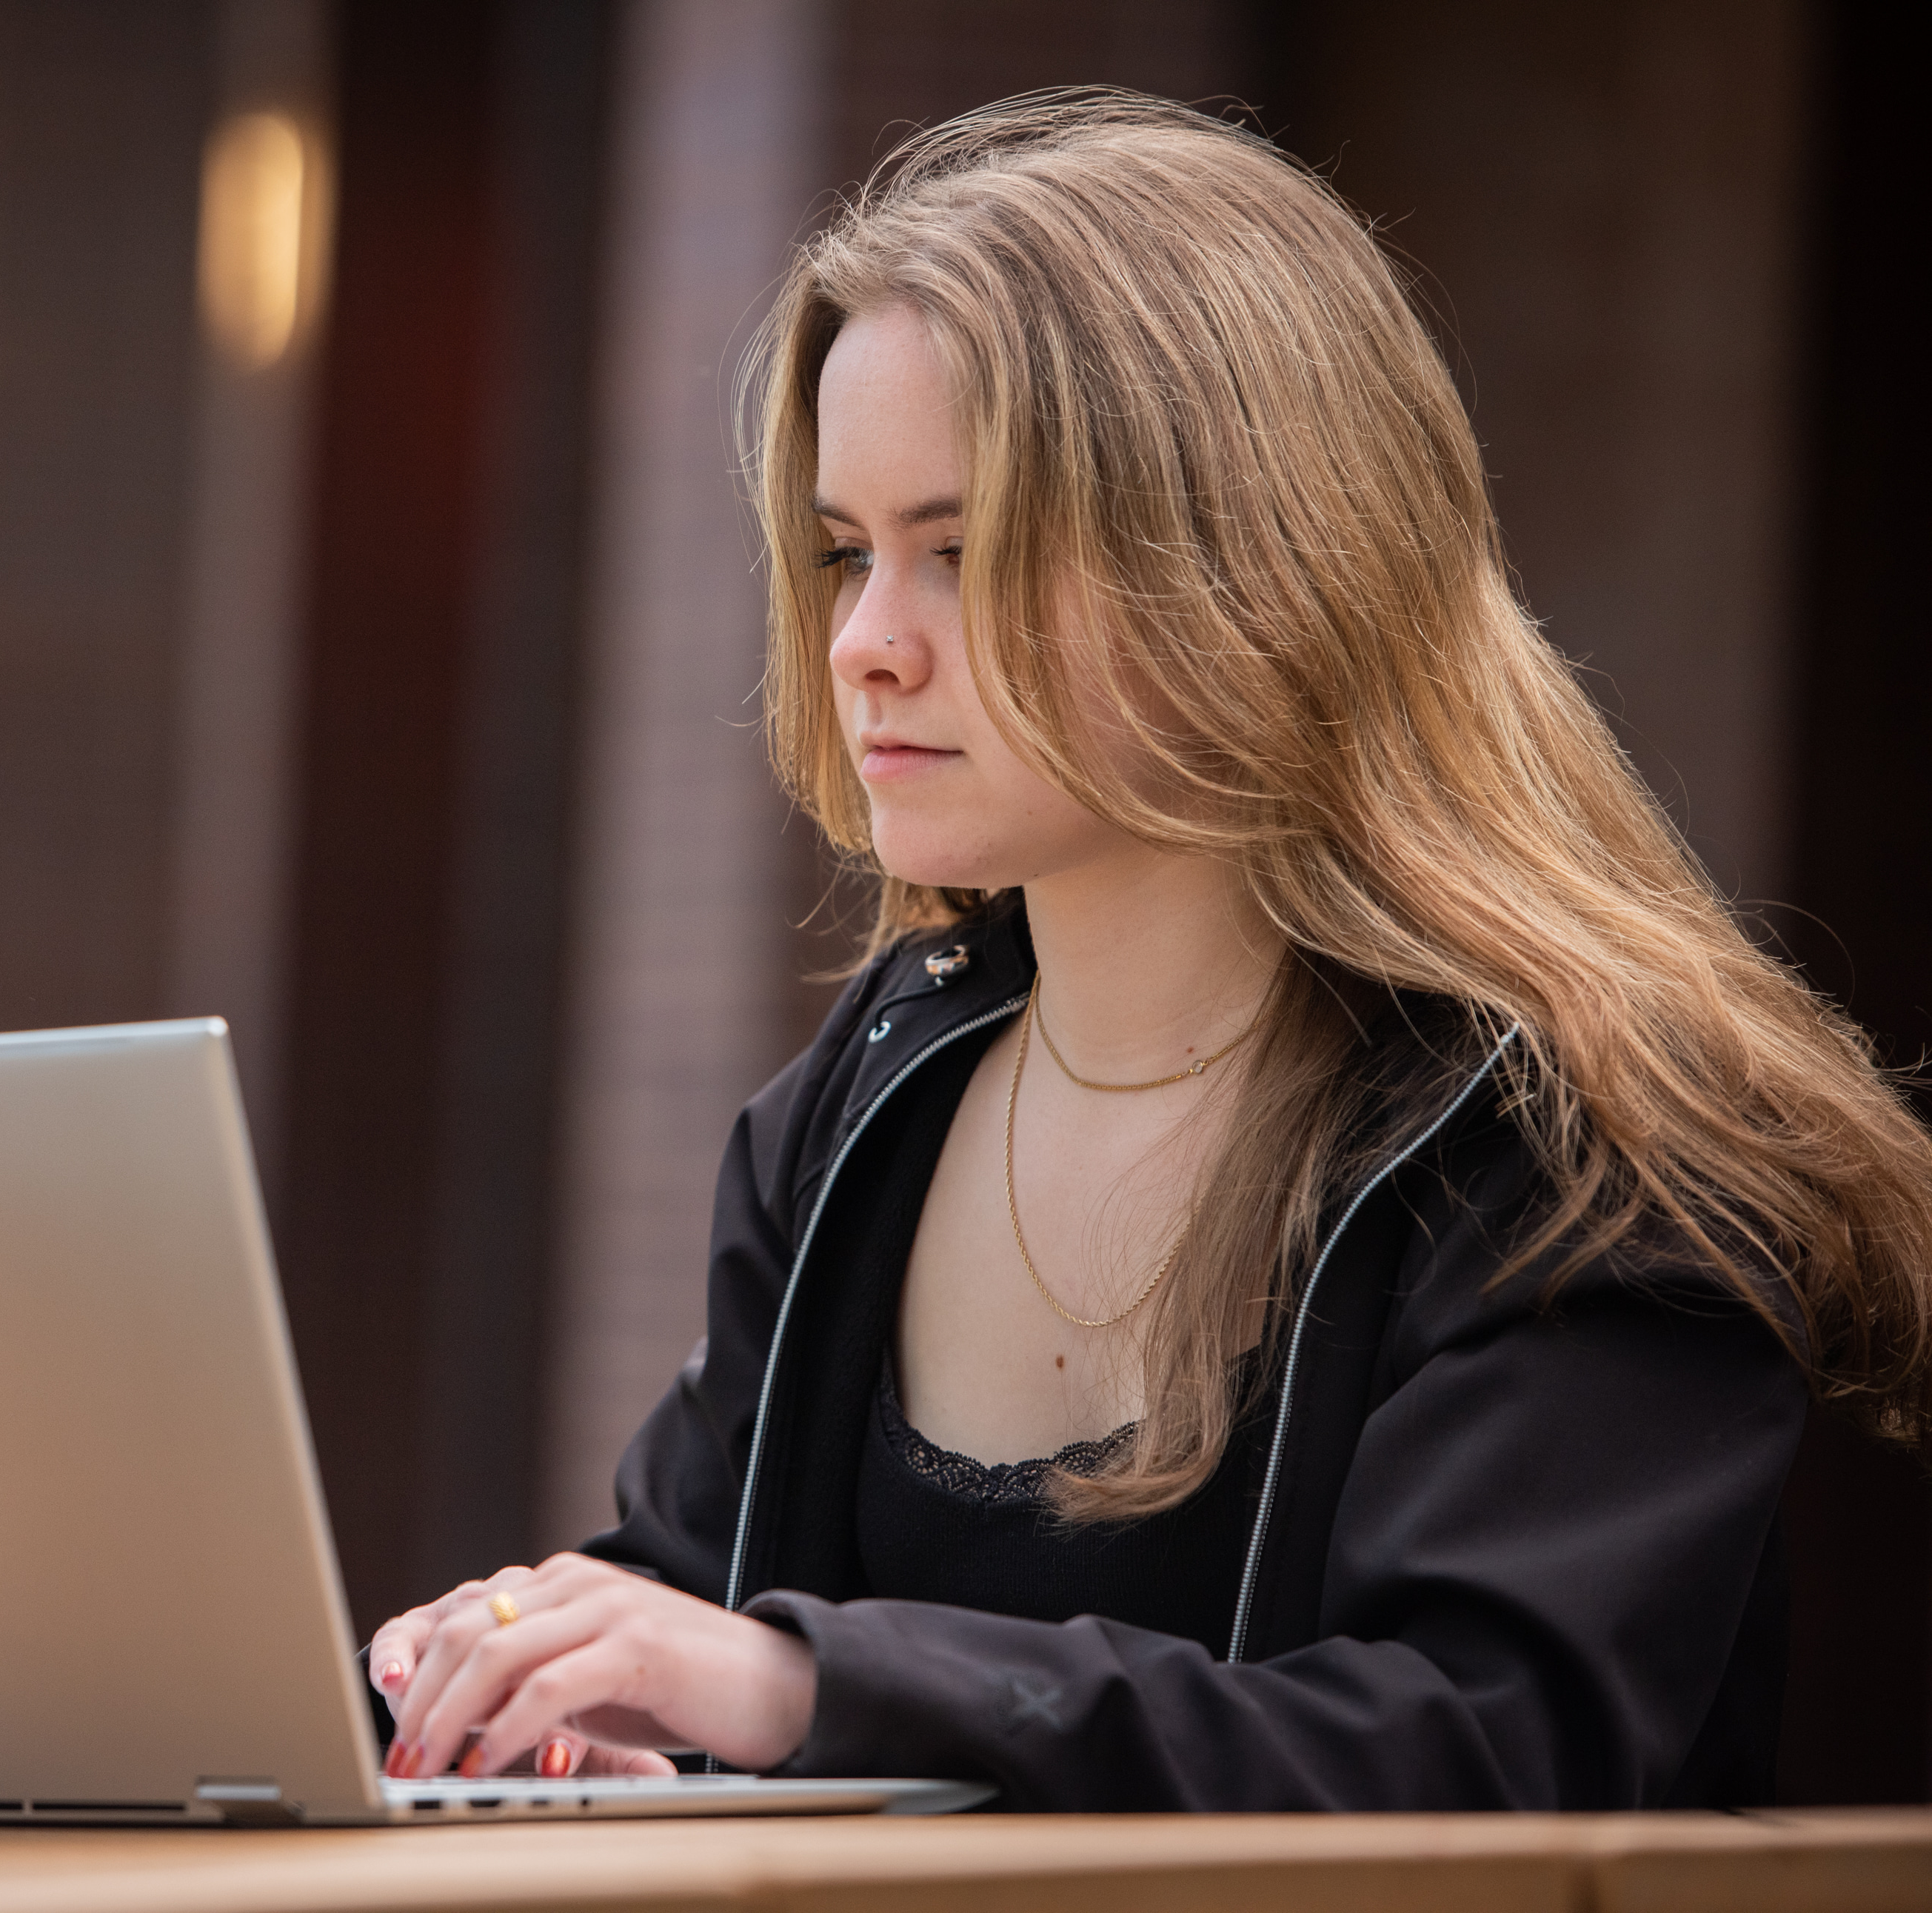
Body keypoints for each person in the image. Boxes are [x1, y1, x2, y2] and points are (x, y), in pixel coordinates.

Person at [364, 90, 1932, 1811]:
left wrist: (810, 1682)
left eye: (963, 551)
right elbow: (690, 1598)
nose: (867, 641)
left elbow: (1484, 1748)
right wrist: (534, 1677)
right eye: (843, 553)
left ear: (1251, 565)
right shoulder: (870, 1091)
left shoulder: (1580, 1148)